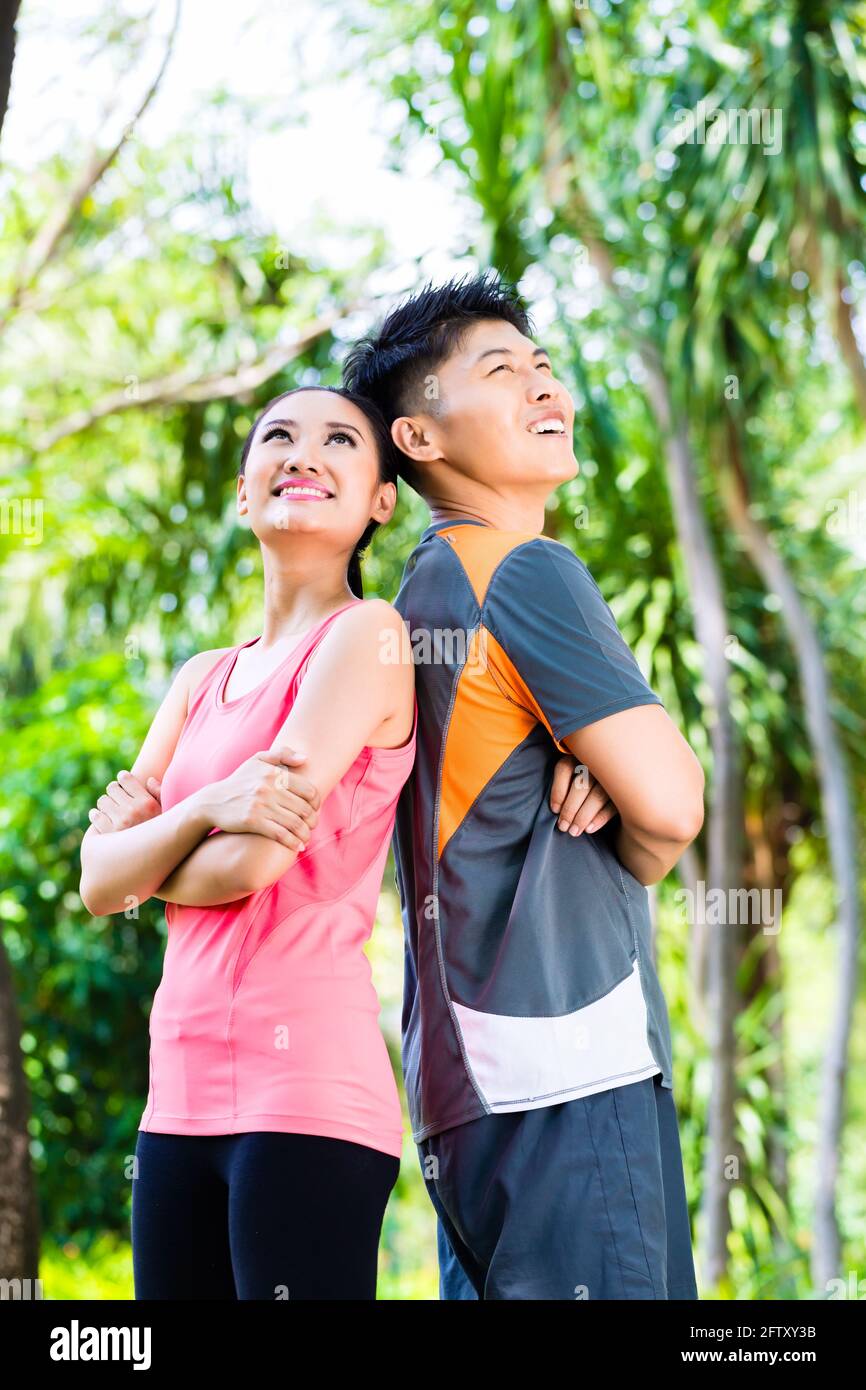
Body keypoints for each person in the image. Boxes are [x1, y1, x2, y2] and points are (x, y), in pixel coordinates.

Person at [342, 270, 706, 1300]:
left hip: (463, 1092)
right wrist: (631, 819)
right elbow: (673, 804)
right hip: (573, 1066)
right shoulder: (524, 570)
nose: (545, 386)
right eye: (500, 370)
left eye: (542, 365)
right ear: (418, 438)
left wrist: (601, 777)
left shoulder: (417, 590)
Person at [79, 385, 416, 1301]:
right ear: (242, 492)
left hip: (306, 1096)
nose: (305, 455)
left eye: (340, 440)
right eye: (280, 436)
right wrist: (204, 810)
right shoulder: (201, 678)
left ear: (380, 499)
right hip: (176, 1096)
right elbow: (98, 883)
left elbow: (255, 863)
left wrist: (150, 845)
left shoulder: (369, 636)